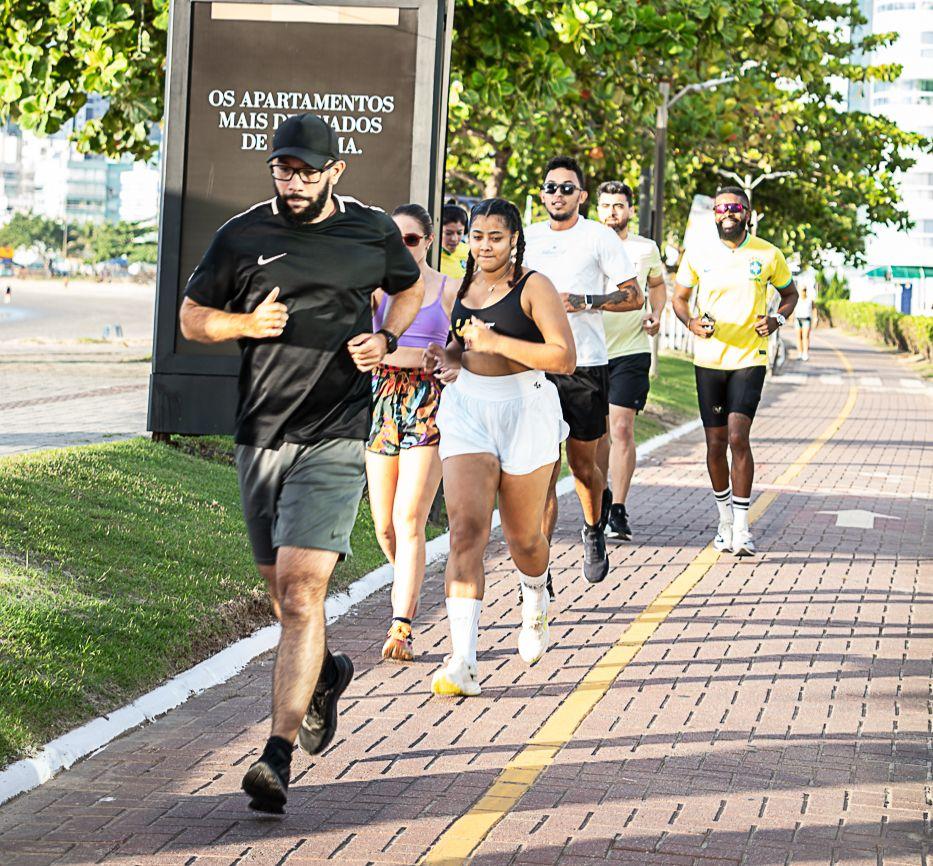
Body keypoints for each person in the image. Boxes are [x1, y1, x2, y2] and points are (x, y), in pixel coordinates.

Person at [178, 113, 424, 813]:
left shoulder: (370, 230)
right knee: (280, 595)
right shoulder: (243, 233)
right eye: (283, 170)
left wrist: (387, 337)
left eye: (306, 172)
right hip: (260, 435)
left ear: (334, 173)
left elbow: (409, 285)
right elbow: (193, 317)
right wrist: (243, 325)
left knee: (299, 592)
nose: (292, 183)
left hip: (338, 430)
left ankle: (276, 756)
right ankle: (322, 678)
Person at [424, 198, 575, 696]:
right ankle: (462, 662)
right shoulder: (460, 287)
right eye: (477, 236)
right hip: (468, 408)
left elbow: (563, 358)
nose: (485, 245)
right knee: (465, 531)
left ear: (514, 241)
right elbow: (461, 348)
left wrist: (497, 343)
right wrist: (445, 355)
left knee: (523, 541)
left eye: (495, 237)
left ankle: (535, 594)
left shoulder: (535, 286)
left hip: (525, 410)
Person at [523, 156, 643, 586]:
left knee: (582, 467)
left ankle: (593, 529)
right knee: (541, 467)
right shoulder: (528, 237)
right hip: (534, 365)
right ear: (542, 194)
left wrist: (586, 301)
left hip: (584, 365)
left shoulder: (598, 237)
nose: (558, 194)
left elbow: (634, 296)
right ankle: (539, 569)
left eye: (567, 188)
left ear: (582, 195)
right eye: (551, 187)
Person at [672, 187, 797, 557]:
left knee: (738, 437)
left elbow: (790, 296)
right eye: (722, 207)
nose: (729, 213)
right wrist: (691, 322)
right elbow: (679, 298)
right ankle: (724, 520)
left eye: (736, 207)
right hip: (709, 360)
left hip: (750, 358)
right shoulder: (698, 253)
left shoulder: (767, 253)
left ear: (747, 213)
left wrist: (776, 319)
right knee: (715, 444)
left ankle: (743, 528)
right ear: (714, 214)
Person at [368, 203, 459, 662]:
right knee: (384, 527)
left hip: (430, 405)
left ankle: (401, 624)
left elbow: (465, 350)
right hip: (383, 402)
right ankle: (411, 580)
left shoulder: (447, 289)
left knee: (409, 519)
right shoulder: (375, 291)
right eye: (394, 239)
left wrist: (446, 360)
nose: (402, 248)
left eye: (411, 239)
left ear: (427, 242)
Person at [593, 181, 667, 542]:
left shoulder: (644, 248)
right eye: (605, 205)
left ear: (629, 210)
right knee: (597, 434)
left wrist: (657, 313)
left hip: (631, 351)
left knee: (621, 428)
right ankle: (602, 498)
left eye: (618, 205)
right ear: (596, 209)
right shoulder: (585, 242)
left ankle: (618, 508)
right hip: (590, 352)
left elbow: (657, 285)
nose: (612, 212)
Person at [439, 203, 470, 279]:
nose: (454, 239)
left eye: (459, 233)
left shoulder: (469, 251)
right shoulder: (432, 257)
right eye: (448, 233)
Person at [795, 286, 814, 360]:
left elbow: (814, 308)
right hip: (798, 319)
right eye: (802, 290)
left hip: (806, 319)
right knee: (798, 337)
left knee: (805, 337)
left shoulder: (809, 300)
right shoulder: (797, 299)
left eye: (805, 290)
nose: (803, 291)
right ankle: (800, 353)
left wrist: (815, 318)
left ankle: (805, 353)